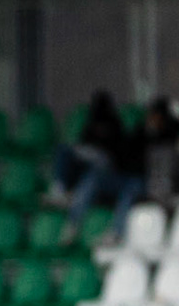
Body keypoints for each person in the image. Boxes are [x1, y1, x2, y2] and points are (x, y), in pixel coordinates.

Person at [53, 90, 145, 245]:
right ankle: (64, 199)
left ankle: (116, 232)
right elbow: (83, 143)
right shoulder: (91, 124)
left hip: (119, 176)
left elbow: (120, 157)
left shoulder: (116, 126)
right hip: (93, 171)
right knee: (66, 152)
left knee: (99, 174)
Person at [140, 97, 179, 205]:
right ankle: (153, 196)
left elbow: (175, 145)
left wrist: (158, 129)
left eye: (156, 113)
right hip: (150, 168)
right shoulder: (144, 128)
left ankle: (161, 198)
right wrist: (151, 130)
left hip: (175, 166)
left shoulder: (176, 125)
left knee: (164, 154)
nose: (153, 117)